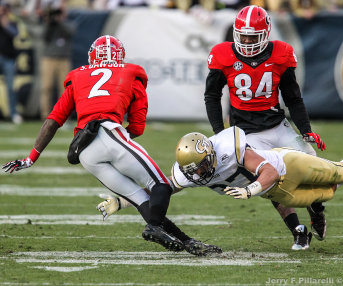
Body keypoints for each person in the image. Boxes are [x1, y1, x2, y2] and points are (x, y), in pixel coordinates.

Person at [2, 35, 222, 257]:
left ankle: (187, 242)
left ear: (92, 57)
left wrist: (31, 157)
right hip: (108, 133)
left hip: (85, 151)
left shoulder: (77, 76)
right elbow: (137, 125)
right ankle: (154, 227)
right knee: (162, 186)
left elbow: (53, 120)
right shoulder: (130, 73)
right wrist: (123, 140)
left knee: (142, 200)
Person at [96, 126, 343, 250]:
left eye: (201, 166)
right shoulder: (191, 172)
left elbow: (267, 171)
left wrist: (250, 191)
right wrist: (124, 202)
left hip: (286, 166)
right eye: (193, 170)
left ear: (211, 155)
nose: (198, 173)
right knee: (330, 192)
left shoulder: (230, 148)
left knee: (338, 176)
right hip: (279, 192)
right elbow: (162, 191)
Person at [204, 5, 326, 250]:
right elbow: (212, 96)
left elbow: (293, 98)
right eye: (243, 35)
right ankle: (298, 231)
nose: (247, 41)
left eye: (253, 36)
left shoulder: (281, 54)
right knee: (270, 181)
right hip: (246, 134)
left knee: (315, 169)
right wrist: (221, 133)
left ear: (266, 33)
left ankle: (317, 209)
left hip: (276, 125)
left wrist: (305, 129)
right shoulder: (222, 54)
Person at [40, 7, 73, 120]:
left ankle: (64, 116)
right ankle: (45, 115)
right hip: (49, 59)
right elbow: (44, 36)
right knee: (46, 87)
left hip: (63, 60)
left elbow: (70, 33)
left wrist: (59, 21)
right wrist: (50, 21)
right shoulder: (49, 25)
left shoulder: (68, 24)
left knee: (65, 90)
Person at [0, 0, 22, 124]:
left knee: (10, 88)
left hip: (8, 58)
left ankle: (13, 113)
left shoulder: (12, 23)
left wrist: (5, 25)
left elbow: (15, 34)